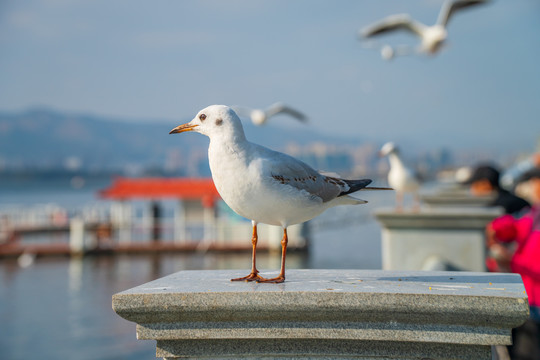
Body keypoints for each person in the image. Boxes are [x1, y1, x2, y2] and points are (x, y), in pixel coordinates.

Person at [487, 167, 540, 360]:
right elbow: (517, 226)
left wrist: (511, 261)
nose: (534, 187)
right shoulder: (535, 211)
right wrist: (496, 228)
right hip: (527, 300)